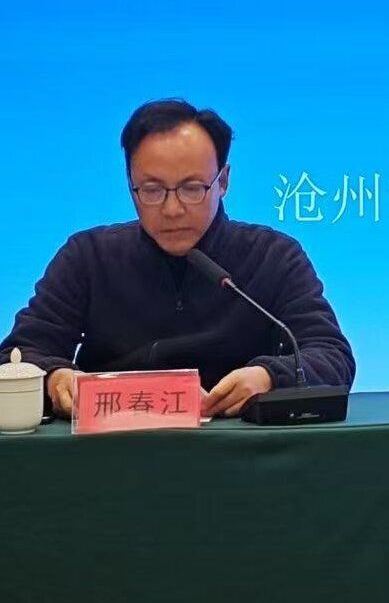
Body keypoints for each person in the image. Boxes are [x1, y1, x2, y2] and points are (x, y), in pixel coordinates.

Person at [1, 99, 356, 417]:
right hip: (110, 450)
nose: (172, 209)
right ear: (130, 185)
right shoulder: (88, 257)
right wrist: (54, 377)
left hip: (239, 450)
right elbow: (18, 354)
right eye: (152, 190)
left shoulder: (273, 256)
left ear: (223, 182)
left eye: (192, 188)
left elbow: (331, 356)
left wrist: (269, 376)